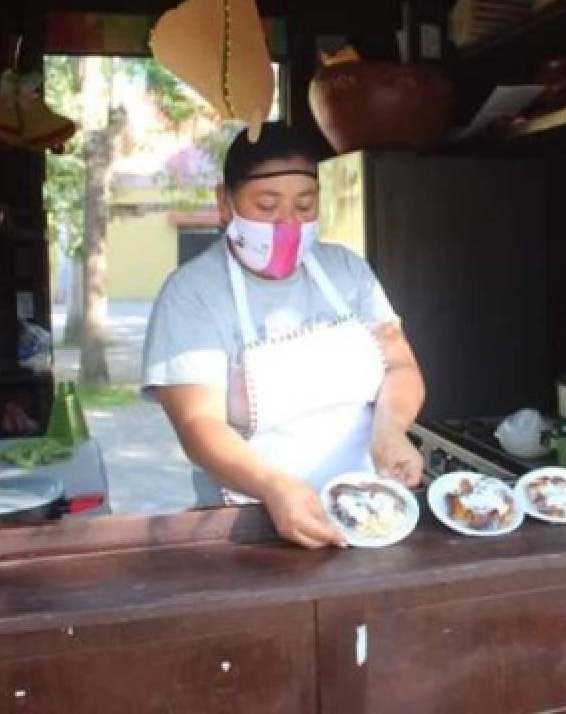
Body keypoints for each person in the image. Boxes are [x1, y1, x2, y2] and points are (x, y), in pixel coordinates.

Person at [141, 124, 425, 549]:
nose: (289, 223)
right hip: (251, 521)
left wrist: (391, 428)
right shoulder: (192, 294)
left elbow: (400, 364)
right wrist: (274, 486)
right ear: (225, 201)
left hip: (369, 507)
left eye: (305, 206)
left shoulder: (346, 270)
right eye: (268, 205)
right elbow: (198, 423)